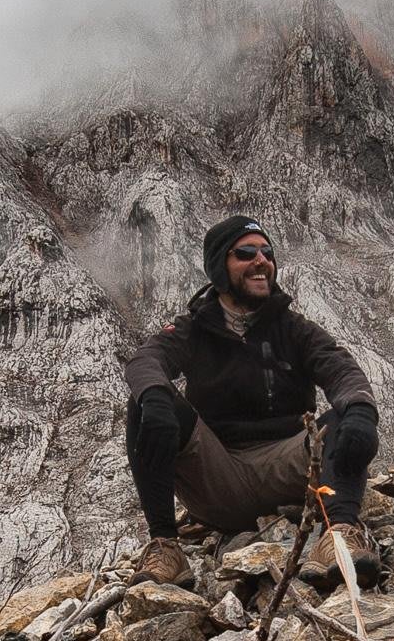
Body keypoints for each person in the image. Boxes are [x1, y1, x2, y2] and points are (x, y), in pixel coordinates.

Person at [123, 214, 380, 585]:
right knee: (145, 402)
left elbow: (341, 370)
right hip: (219, 475)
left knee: (345, 417)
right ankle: (165, 546)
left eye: (267, 252)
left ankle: (338, 535)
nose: (261, 261)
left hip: (292, 472)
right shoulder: (192, 330)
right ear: (219, 268)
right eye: (245, 252)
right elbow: (146, 361)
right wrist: (156, 397)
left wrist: (360, 411)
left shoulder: (294, 328)